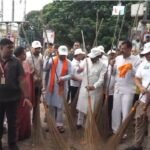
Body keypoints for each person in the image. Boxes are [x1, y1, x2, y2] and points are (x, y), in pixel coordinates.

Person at [0, 38, 30, 150]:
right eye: (9, 47)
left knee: (12, 122)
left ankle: (12, 144)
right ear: (1, 47)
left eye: (12, 47)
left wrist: (26, 97)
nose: (11, 50)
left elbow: (21, 80)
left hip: (12, 98)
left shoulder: (16, 62)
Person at [111, 40, 141, 137]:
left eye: (124, 48)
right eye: (121, 48)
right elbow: (113, 73)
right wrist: (111, 65)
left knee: (125, 111)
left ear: (129, 49)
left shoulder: (136, 60)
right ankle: (115, 131)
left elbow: (138, 75)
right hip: (118, 87)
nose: (121, 50)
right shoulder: (118, 58)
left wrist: (131, 68)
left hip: (129, 89)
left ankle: (123, 132)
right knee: (115, 110)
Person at [125, 43, 150, 150]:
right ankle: (137, 145)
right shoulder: (143, 64)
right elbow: (136, 78)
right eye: (146, 54)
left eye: (149, 53)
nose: (147, 56)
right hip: (143, 98)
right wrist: (141, 87)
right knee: (139, 121)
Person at [44, 45, 73, 133]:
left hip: (62, 87)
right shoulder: (52, 60)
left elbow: (71, 75)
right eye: (61, 55)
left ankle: (59, 124)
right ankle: (51, 124)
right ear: (57, 53)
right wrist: (47, 58)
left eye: (64, 55)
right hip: (52, 87)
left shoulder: (69, 62)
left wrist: (62, 78)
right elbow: (45, 68)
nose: (63, 56)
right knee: (52, 106)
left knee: (60, 107)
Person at [76, 47, 106, 128]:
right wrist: (79, 69)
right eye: (91, 57)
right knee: (81, 105)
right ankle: (79, 122)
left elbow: (101, 79)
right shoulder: (86, 60)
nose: (92, 59)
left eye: (94, 58)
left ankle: (88, 126)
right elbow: (78, 70)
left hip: (95, 90)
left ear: (98, 57)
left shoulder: (103, 65)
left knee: (91, 109)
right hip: (84, 87)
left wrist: (94, 86)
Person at [14, 47, 33, 141]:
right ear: (19, 55)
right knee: (19, 114)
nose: (25, 56)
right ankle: (18, 135)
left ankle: (23, 133)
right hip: (19, 92)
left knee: (24, 113)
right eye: (23, 54)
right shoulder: (15, 64)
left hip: (24, 91)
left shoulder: (24, 63)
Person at [26, 41, 43, 121]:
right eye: (36, 48)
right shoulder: (27, 56)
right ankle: (27, 120)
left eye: (39, 48)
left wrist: (41, 80)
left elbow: (42, 70)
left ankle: (35, 119)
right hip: (29, 84)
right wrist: (33, 77)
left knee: (37, 101)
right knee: (29, 101)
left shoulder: (41, 57)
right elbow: (25, 71)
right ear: (32, 48)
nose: (38, 50)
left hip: (38, 84)